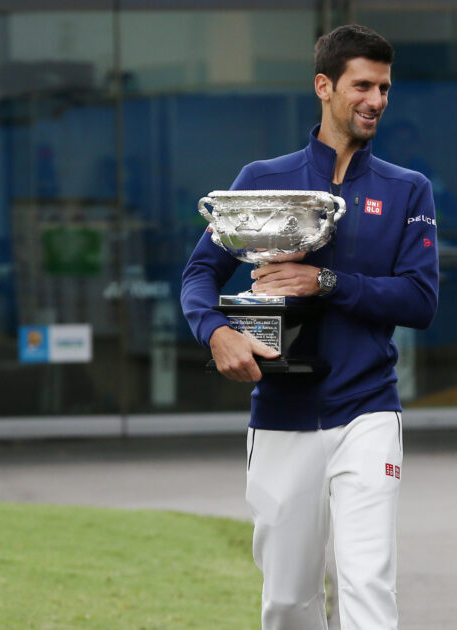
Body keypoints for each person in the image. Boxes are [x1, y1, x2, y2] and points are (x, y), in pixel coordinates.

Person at [180, 24, 439, 630]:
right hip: (281, 413)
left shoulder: (408, 189)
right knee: (287, 600)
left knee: (367, 582)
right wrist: (216, 332)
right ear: (324, 86)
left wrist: (324, 281)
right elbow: (199, 272)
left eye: (384, 88)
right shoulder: (261, 179)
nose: (376, 100)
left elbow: (421, 300)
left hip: (369, 409)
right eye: (362, 86)